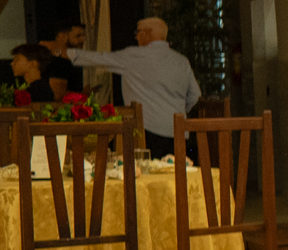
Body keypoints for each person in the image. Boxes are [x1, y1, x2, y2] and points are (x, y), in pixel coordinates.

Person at [70, 17, 201, 161]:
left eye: (138, 32)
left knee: (145, 171)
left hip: (146, 129)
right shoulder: (182, 61)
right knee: (175, 171)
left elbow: (100, 58)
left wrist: (67, 54)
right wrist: (177, 110)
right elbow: (195, 95)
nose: (136, 37)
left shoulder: (134, 55)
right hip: (178, 130)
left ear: (147, 33)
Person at [39, 22, 85, 101]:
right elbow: (58, 95)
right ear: (62, 36)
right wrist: (84, 94)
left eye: (84, 36)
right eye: (78, 36)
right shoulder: (59, 63)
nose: (83, 40)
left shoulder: (67, 62)